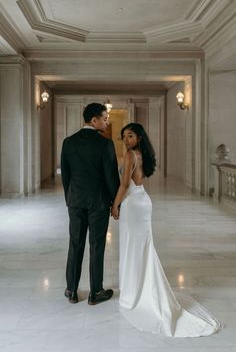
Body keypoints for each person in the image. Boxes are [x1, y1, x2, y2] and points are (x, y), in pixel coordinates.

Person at [111, 123, 220, 337]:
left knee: (134, 247)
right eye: (124, 136)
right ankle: (138, 287)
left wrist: (115, 205)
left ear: (139, 137)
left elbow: (124, 185)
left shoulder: (131, 155)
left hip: (133, 204)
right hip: (142, 201)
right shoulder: (141, 154)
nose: (126, 139)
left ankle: (134, 292)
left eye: (130, 136)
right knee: (141, 248)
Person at [61, 103, 120, 305]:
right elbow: (111, 177)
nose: (107, 121)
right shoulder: (105, 144)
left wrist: (70, 198)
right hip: (98, 203)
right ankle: (95, 292)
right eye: (105, 118)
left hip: (76, 201)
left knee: (75, 244)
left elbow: (66, 176)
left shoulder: (68, 142)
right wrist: (115, 202)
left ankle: (71, 290)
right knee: (97, 245)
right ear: (94, 120)